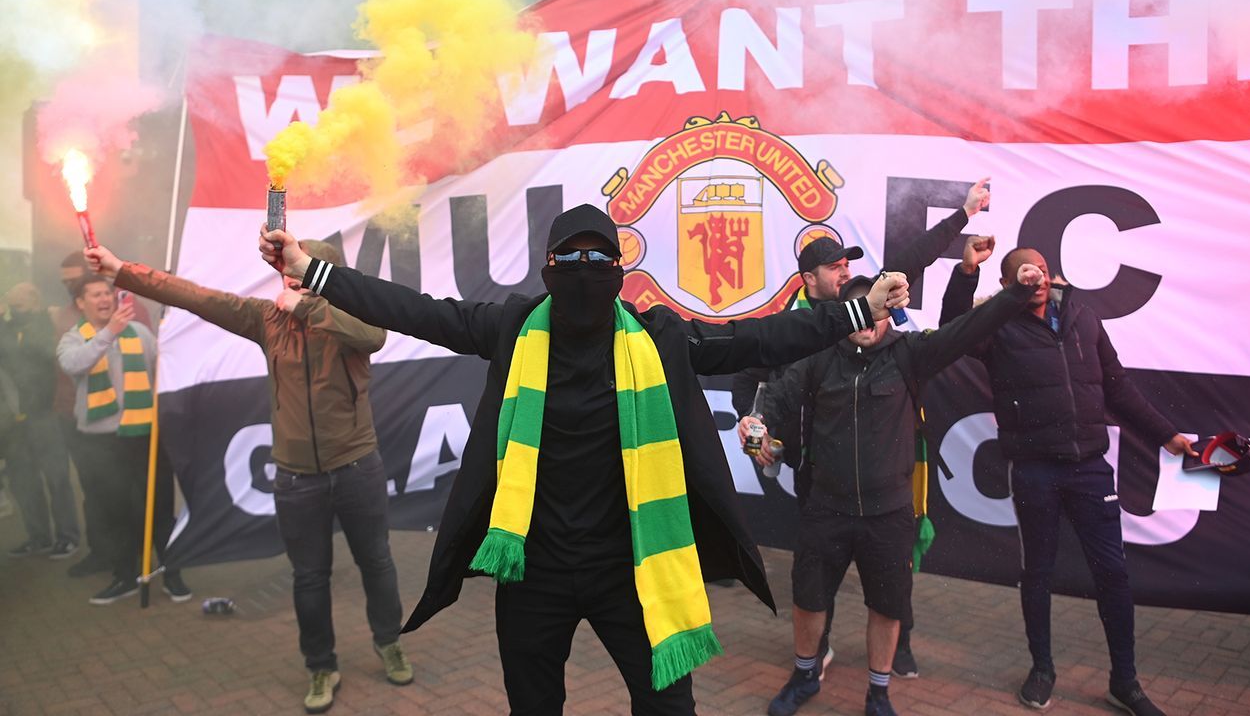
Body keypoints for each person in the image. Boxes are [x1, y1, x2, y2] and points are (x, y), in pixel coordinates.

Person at [258, 203, 911, 715]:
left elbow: (759, 337)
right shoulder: (512, 328)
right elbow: (413, 312)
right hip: (532, 572)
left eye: (598, 255)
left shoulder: (657, 338)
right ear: (547, 268)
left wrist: (860, 306)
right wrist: (310, 272)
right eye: (568, 256)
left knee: (668, 706)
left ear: (619, 270)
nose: (583, 266)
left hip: (633, 567)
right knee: (534, 707)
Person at [86, 240, 411, 714]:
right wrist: (122, 271)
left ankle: (390, 643)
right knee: (309, 577)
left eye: (303, 272)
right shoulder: (266, 318)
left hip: (357, 465)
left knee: (377, 563)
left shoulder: (351, 318)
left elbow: (375, 338)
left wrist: (311, 308)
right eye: (288, 273)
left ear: (326, 276)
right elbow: (194, 295)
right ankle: (320, 666)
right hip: (298, 479)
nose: (291, 280)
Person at [742, 264, 1042, 716]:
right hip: (826, 506)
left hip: (889, 512)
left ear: (889, 314)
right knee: (808, 599)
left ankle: (879, 692)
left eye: (876, 313)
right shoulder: (817, 357)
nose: (866, 323)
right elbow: (775, 400)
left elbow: (969, 328)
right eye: (857, 313)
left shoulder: (911, 353)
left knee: (887, 605)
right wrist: (754, 425)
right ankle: (805, 675)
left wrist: (1017, 290)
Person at [730, 178, 994, 681]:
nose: (847, 273)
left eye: (849, 265)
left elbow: (911, 258)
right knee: (815, 573)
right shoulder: (789, 325)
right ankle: (816, 654)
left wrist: (963, 215)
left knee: (894, 559)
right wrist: (752, 424)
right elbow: (747, 378)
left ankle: (902, 646)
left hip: (882, 461)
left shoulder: (865, 308)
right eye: (836, 267)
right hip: (816, 467)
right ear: (810, 280)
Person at [939, 246, 1196, 716]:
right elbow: (950, 333)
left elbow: (1118, 388)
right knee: (1037, 571)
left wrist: (1167, 436)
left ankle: (1125, 681)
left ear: (1052, 275)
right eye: (1022, 273)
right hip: (1034, 469)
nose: (1034, 277)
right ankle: (1042, 669)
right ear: (1009, 284)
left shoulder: (1085, 319)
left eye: (1039, 269)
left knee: (1113, 573)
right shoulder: (996, 328)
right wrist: (966, 272)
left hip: (1090, 468)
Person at [56, 275, 157, 606]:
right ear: (81, 304)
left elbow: (159, 370)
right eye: (95, 295)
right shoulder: (73, 339)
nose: (104, 299)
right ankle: (124, 573)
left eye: (107, 292)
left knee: (141, 506)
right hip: (99, 441)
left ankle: (142, 568)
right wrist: (109, 331)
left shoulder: (141, 333)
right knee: (112, 511)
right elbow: (75, 364)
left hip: (138, 434)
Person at [1, 283, 80, 559]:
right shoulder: (9, 328)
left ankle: (68, 536)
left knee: (57, 478)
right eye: (10, 306)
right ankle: (38, 537)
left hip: (46, 414)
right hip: (14, 418)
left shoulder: (46, 326)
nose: (13, 311)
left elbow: (37, 354)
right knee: (23, 481)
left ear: (34, 303)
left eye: (18, 306)